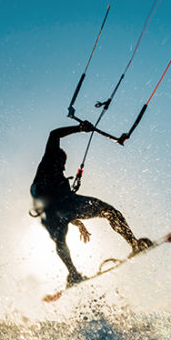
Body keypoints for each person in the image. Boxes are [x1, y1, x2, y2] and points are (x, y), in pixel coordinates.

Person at [30, 122, 152, 286]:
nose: (63, 165)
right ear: (55, 156)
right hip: (48, 207)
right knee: (60, 240)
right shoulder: (49, 159)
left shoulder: (61, 180)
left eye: (63, 163)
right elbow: (54, 134)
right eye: (61, 161)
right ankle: (73, 273)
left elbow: (65, 209)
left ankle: (134, 244)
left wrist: (77, 222)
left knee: (109, 211)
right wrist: (80, 128)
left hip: (65, 206)